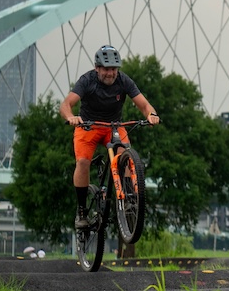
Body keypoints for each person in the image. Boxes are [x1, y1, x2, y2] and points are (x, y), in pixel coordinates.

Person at [60, 45, 160, 229]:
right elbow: (66, 104)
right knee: (82, 162)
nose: (110, 73)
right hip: (88, 126)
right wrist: (71, 117)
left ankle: (129, 197)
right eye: (106, 69)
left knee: (127, 157)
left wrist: (151, 115)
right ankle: (82, 211)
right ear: (97, 68)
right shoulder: (87, 81)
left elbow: (145, 105)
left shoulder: (124, 81)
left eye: (114, 69)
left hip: (113, 126)